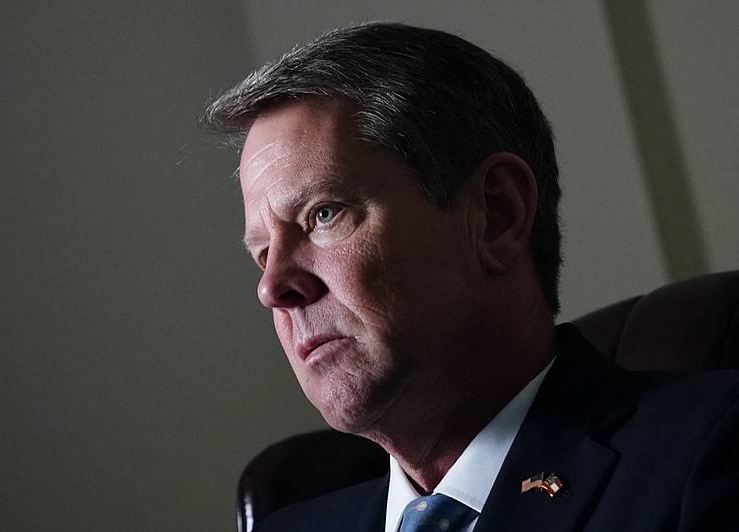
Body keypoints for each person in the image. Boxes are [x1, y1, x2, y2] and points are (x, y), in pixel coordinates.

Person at [202, 22, 739, 531]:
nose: (272, 287)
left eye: (323, 215)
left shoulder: (707, 452)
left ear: (496, 215)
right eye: (263, 251)